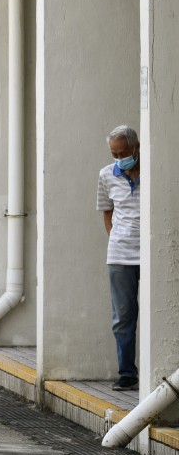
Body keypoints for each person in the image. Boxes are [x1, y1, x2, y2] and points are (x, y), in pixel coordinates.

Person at [96, 124, 141, 392]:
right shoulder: (106, 175)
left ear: (136, 148)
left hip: (149, 254)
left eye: (123, 153)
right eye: (114, 154)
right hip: (120, 256)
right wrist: (115, 237)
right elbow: (106, 211)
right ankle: (127, 373)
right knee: (123, 317)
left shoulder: (152, 171)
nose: (119, 159)